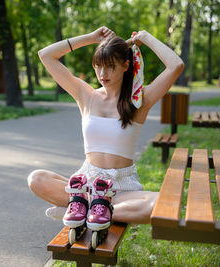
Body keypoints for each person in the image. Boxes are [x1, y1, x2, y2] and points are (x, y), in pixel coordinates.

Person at [27, 26, 184, 232]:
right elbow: (46, 55)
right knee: (36, 178)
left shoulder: (139, 101)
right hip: (85, 185)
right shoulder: (87, 95)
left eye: (110, 66)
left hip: (122, 188)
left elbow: (176, 66)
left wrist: (145, 38)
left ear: (126, 65)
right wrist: (90, 38)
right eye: (98, 66)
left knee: (165, 205)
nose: (102, 73)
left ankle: (90, 209)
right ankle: (88, 205)